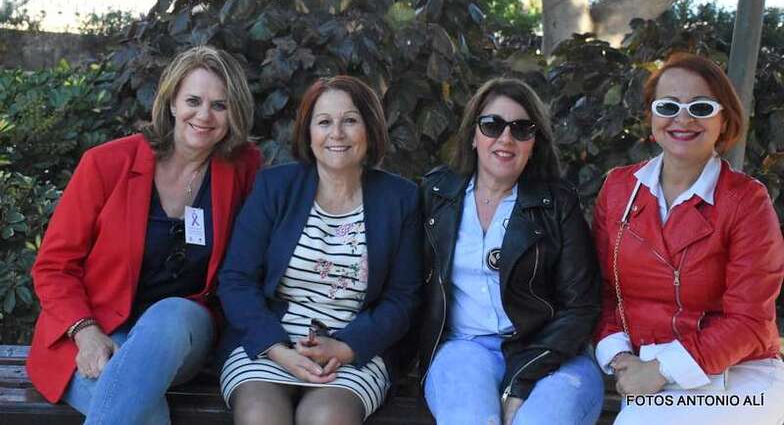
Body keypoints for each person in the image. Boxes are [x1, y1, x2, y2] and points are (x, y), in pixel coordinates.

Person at [27, 45, 261, 423]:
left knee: (168, 314)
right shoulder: (106, 164)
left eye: (220, 105)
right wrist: (85, 331)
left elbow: (256, 259)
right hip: (98, 330)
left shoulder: (243, 167)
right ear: (171, 103)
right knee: (142, 413)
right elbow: (54, 266)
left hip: (182, 333)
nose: (204, 115)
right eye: (193, 101)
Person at [217, 75, 422, 425]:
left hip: (354, 349)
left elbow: (403, 298)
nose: (336, 133)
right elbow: (237, 279)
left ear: (370, 129)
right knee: (260, 417)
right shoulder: (275, 188)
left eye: (350, 121)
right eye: (324, 122)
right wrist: (277, 349)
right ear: (308, 132)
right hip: (270, 344)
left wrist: (346, 346)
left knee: (327, 418)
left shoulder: (400, 199)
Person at [593, 53, 784, 424]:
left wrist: (662, 369)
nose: (683, 119)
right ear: (652, 117)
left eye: (701, 107)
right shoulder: (618, 189)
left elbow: (748, 320)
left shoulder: (747, 201)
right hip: (644, 371)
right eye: (668, 106)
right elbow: (600, 292)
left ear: (724, 119)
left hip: (739, 372)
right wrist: (620, 358)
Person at [419, 77, 604, 425]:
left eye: (521, 129)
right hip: (464, 349)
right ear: (473, 135)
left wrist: (521, 381)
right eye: (492, 125)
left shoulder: (558, 203)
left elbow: (582, 306)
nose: (506, 138)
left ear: (534, 143)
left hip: (552, 353)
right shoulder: (436, 194)